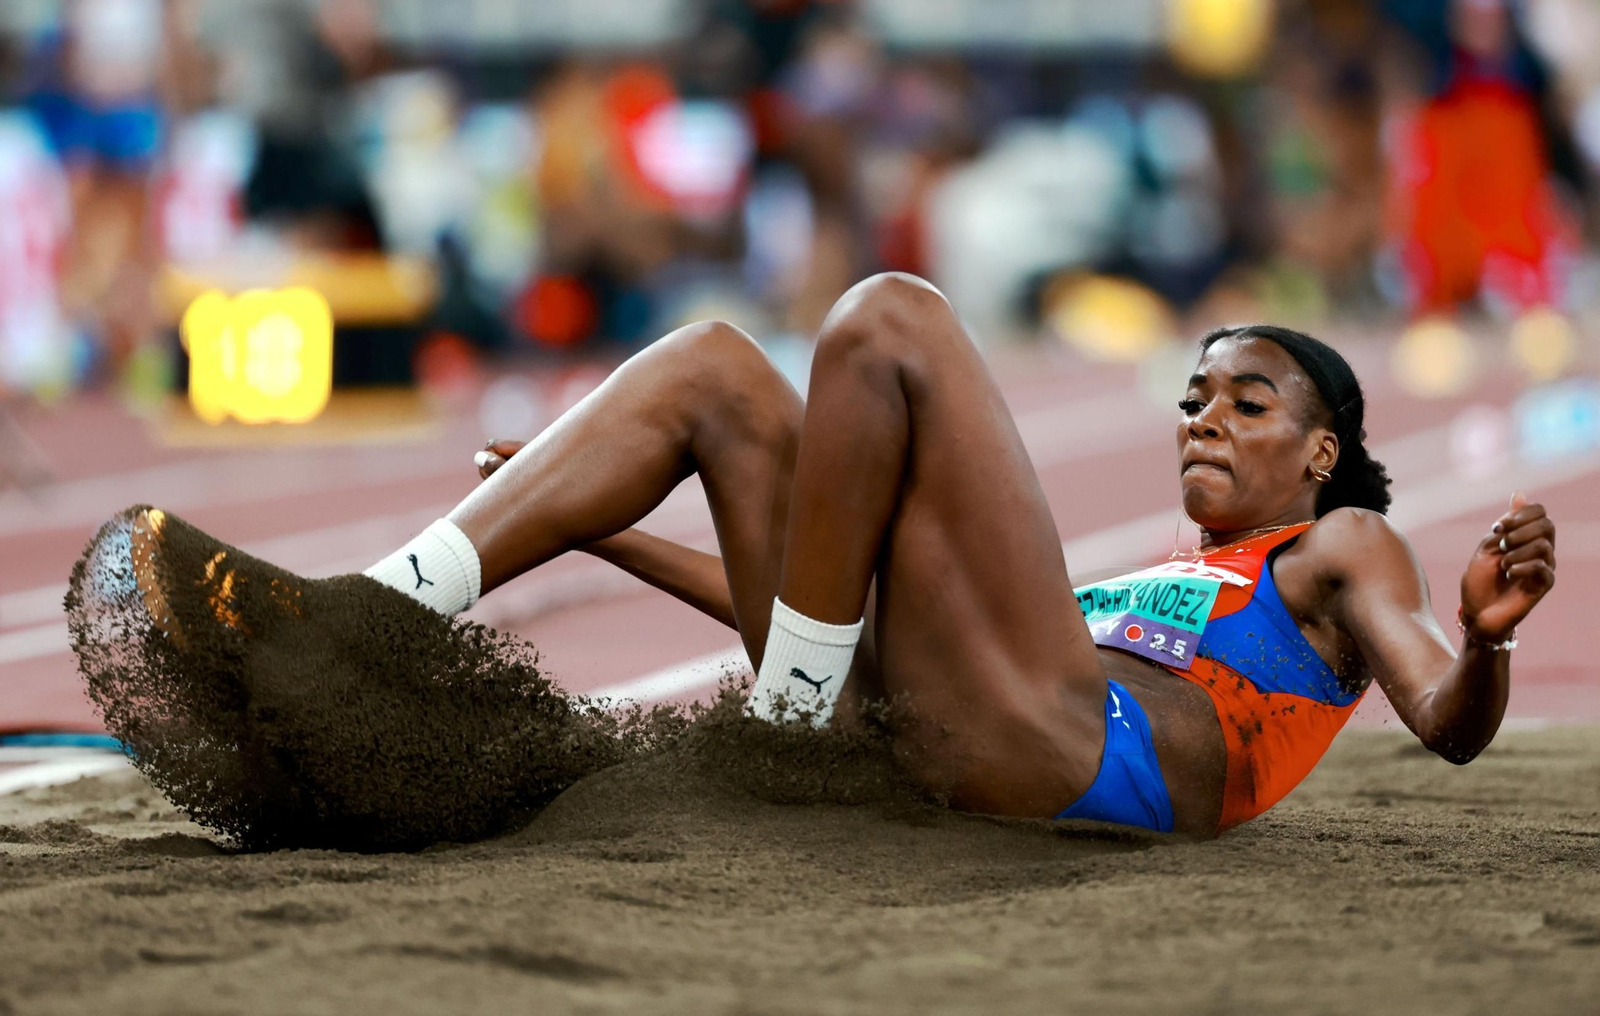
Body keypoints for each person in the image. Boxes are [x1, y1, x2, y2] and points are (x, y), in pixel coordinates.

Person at [126, 274, 1557, 838]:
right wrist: (604, 520)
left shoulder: (1344, 542)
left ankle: (794, 722)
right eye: (1193, 395)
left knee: (891, 321)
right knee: (712, 373)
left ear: (1318, 454)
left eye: (1249, 403)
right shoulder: (1117, 595)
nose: (1206, 417)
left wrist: (1486, 638)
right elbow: (836, 598)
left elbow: (1445, 722)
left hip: (1082, 749)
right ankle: (372, 616)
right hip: (929, 715)